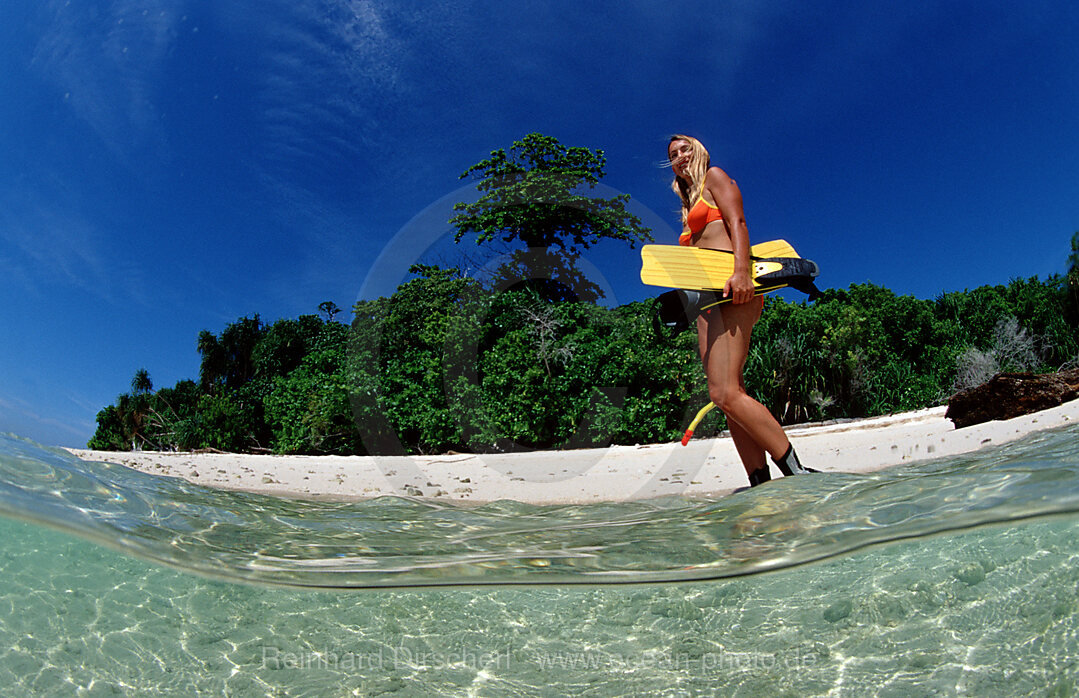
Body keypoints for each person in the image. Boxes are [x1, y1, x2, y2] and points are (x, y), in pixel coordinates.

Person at [667, 134, 816, 486]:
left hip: (735, 289)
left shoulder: (715, 177)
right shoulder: (687, 208)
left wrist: (741, 272)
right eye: (673, 154)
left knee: (724, 392)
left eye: (685, 149)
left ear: (699, 151)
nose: (680, 157)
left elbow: (738, 223)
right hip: (706, 301)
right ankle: (759, 481)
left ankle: (797, 473)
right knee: (727, 394)